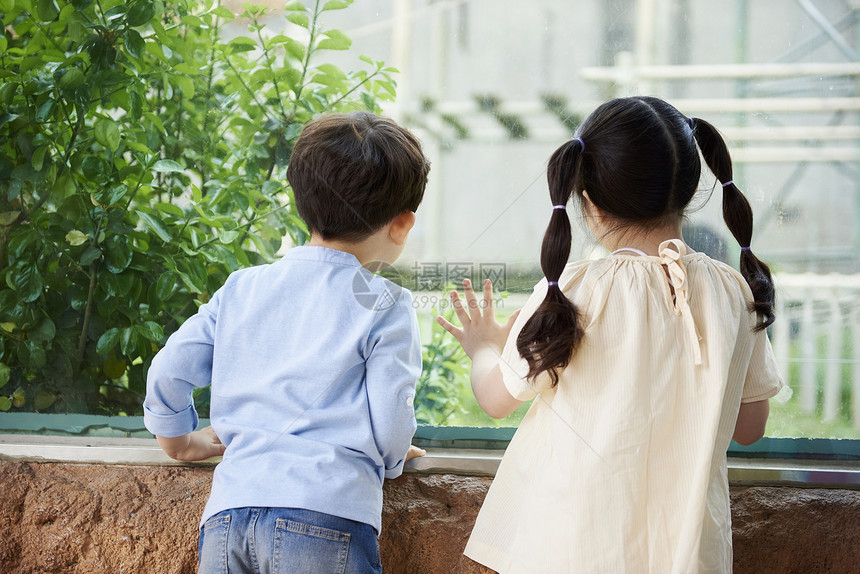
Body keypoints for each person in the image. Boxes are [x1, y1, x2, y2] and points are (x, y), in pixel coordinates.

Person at [438, 96, 783, 573]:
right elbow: (749, 428)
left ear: (589, 203)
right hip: (691, 556)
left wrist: (484, 346)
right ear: (687, 189)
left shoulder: (575, 288)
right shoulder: (732, 290)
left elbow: (497, 400)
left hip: (575, 552)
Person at [143, 111, 430, 574]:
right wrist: (394, 459)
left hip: (226, 519)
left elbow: (167, 372)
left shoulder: (240, 288)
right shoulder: (385, 303)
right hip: (328, 517)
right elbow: (390, 418)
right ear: (401, 224)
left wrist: (178, 442)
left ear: (301, 200)